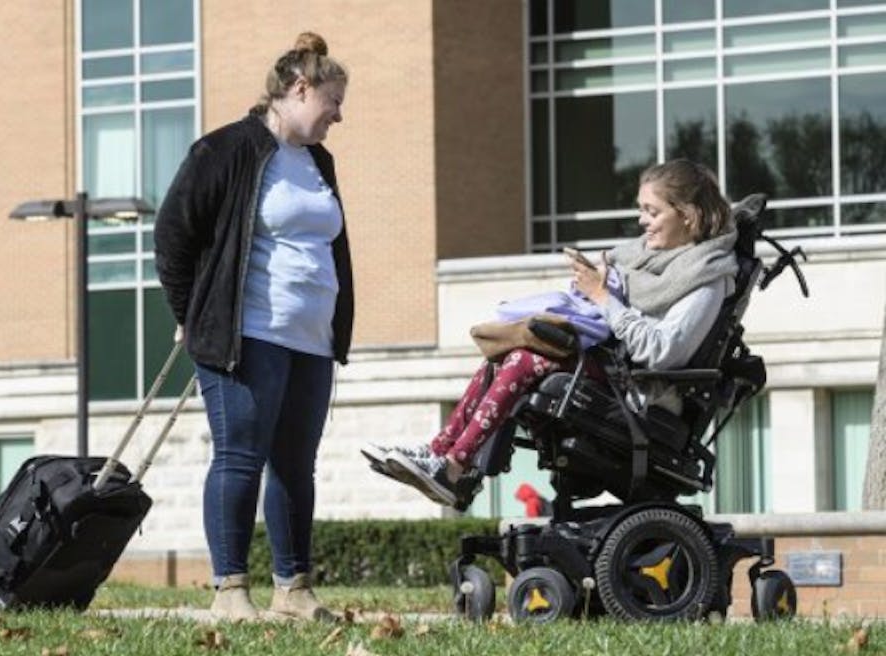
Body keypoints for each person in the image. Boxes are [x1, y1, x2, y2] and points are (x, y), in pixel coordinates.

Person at [364, 159, 738, 507]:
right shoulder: (643, 259)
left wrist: (603, 296)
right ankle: (441, 456)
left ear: (688, 215)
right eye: (641, 209)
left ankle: (454, 468)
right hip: (612, 368)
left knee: (525, 360)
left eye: (652, 212)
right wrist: (595, 292)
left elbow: (662, 353)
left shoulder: (706, 278)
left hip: (641, 388)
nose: (642, 221)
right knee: (506, 352)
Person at [154, 32, 353, 622]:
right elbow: (173, 235)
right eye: (333, 102)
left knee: (296, 465)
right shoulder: (226, 150)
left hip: (310, 338)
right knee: (240, 456)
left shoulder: (319, 161)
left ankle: (293, 590)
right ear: (299, 89)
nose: (338, 116)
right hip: (247, 336)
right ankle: (230, 592)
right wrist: (191, 314)